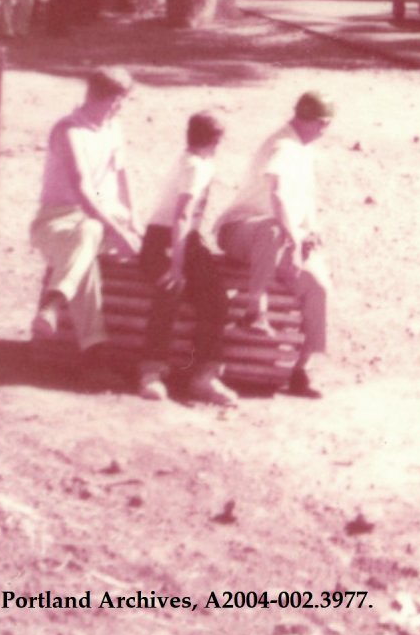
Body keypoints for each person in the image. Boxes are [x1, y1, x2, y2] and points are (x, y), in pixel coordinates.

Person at [215, 91, 333, 400]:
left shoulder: (302, 149)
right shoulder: (283, 145)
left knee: (317, 285)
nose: (325, 132)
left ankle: (301, 369)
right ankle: (255, 309)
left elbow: (302, 203)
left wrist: (311, 233)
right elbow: (277, 195)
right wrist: (293, 237)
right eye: (325, 125)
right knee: (273, 228)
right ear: (319, 123)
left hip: (277, 241)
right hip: (240, 230)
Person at [30, 66, 141, 379]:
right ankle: (94, 356)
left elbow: (122, 174)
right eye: (121, 101)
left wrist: (133, 219)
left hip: (101, 221)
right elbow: (82, 188)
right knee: (88, 236)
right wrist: (115, 229)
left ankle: (55, 306)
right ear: (108, 98)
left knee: (89, 235)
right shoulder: (68, 130)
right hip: (58, 220)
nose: (121, 108)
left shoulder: (112, 127)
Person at [137, 112, 236, 406]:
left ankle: (204, 376)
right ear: (216, 141)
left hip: (187, 240)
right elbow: (180, 215)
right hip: (162, 240)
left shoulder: (200, 162)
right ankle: (151, 372)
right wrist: (176, 265)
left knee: (216, 297)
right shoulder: (193, 166)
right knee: (171, 287)